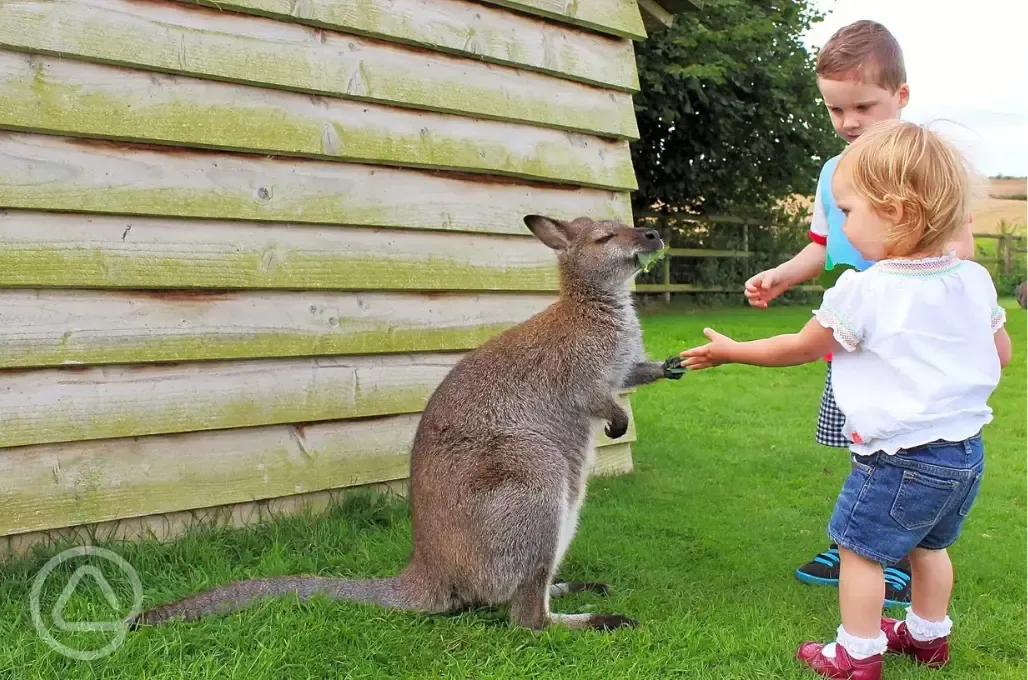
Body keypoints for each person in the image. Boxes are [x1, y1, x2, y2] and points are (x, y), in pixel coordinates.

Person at [681, 119, 1011, 679]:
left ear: (898, 211)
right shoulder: (974, 279)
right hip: (964, 453)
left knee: (861, 553)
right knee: (931, 548)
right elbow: (1000, 353)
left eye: (850, 211)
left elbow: (803, 347)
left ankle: (855, 655)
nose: (843, 224)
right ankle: (928, 638)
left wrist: (734, 350)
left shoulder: (867, 288)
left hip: (898, 457)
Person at [743, 19, 975, 607]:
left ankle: (892, 553)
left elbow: (960, 246)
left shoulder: (925, 165)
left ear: (901, 97)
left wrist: (925, 277)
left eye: (863, 107)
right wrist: (780, 275)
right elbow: (823, 247)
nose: (848, 123)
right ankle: (864, 538)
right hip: (854, 327)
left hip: (907, 336)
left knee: (910, 439)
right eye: (835, 110)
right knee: (866, 436)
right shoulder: (835, 172)